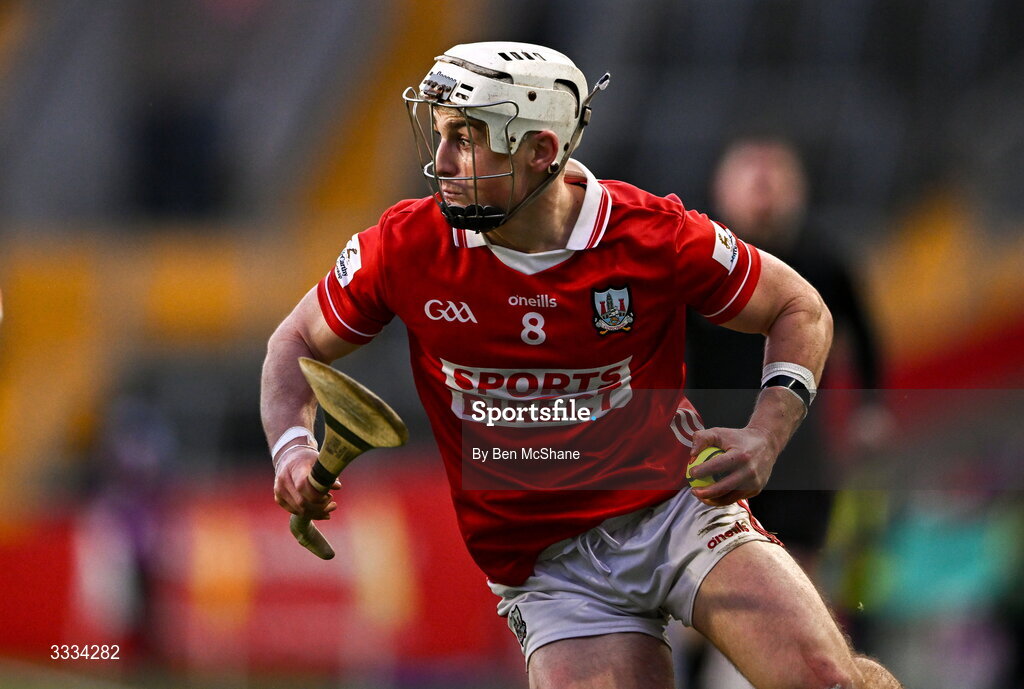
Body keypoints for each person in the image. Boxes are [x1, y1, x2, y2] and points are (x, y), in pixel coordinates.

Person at [261, 41, 902, 688]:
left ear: (541, 150)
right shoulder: (405, 247)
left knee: (828, 680)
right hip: (551, 572)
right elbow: (293, 344)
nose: (442, 162)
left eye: (467, 137)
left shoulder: (652, 235)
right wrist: (291, 448)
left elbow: (800, 308)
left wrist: (767, 435)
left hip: (674, 511)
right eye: (440, 135)